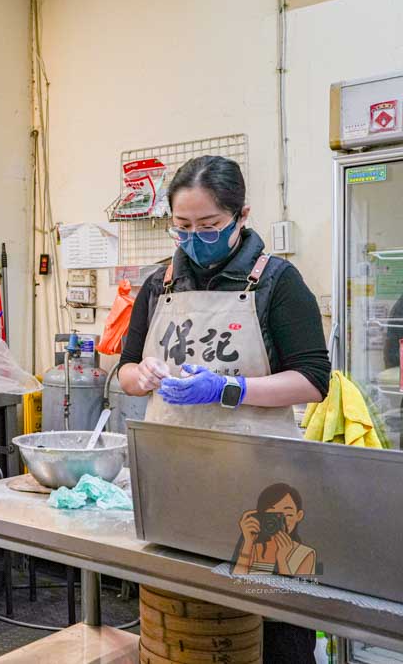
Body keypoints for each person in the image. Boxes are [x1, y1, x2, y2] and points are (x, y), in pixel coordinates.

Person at [117, 155, 330, 664]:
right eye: (183, 227)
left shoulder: (276, 281)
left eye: (209, 226)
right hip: (177, 471)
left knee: (274, 612)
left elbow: (312, 380)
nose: (196, 238)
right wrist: (140, 376)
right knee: (186, 609)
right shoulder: (159, 284)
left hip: (261, 479)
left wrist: (227, 389)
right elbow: (124, 369)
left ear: (241, 216)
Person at [233, 483, 316, 577]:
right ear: (261, 514)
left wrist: (282, 559)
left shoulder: (305, 554)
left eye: (288, 514)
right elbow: (236, 580)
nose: (280, 521)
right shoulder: (251, 545)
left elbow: (292, 589)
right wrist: (248, 543)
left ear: (299, 516)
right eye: (272, 514)